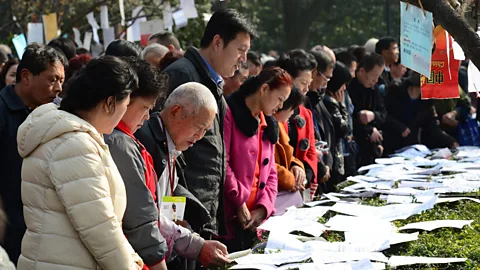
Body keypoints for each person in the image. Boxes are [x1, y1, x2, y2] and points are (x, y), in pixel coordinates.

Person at [17, 56, 143, 269]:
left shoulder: (73, 135)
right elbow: (100, 228)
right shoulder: (74, 144)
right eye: (126, 104)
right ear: (110, 102)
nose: (125, 113)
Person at [161, 8, 256, 239]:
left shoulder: (214, 84)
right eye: (240, 50)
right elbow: (164, 150)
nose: (244, 60)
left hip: (204, 208)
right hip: (185, 210)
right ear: (217, 42)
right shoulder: (183, 76)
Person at [135, 82, 231, 269]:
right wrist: (193, 243)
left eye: (205, 131)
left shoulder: (171, 143)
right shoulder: (145, 142)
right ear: (175, 111)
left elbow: (168, 198)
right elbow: (145, 215)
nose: (200, 136)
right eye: (199, 127)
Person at [0, 44, 67, 265]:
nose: (58, 88)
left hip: (45, 233)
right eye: (52, 79)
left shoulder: (56, 115)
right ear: (26, 76)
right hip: (10, 234)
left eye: (61, 81)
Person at [223, 67, 292, 252]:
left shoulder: (268, 123)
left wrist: (263, 208)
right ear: (264, 89)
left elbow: (271, 173)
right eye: (279, 99)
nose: (280, 107)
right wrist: (239, 203)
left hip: (256, 221)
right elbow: (224, 163)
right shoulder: (229, 113)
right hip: (229, 219)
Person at [384, 71, 457, 154]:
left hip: (411, 148)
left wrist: (450, 141)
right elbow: (384, 115)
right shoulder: (395, 89)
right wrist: (399, 127)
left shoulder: (427, 101)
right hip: (391, 144)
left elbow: (433, 127)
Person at [278, 49, 319, 198]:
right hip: (277, 185)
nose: (306, 89)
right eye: (303, 83)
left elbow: (311, 151)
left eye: (309, 83)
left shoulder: (304, 113)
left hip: (300, 186)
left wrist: (306, 176)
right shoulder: (271, 111)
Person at [348, 53, 386, 167]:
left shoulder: (374, 89)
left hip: (372, 147)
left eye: (379, 76)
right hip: (355, 147)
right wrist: (369, 130)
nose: (376, 80)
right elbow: (350, 119)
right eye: (374, 75)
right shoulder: (349, 89)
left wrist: (373, 115)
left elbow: (383, 113)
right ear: (361, 71)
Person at [322, 62, 351, 191]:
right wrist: (342, 105)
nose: (344, 89)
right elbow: (344, 129)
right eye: (342, 84)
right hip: (333, 160)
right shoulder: (330, 102)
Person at [274, 87, 306, 192]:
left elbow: (287, 153)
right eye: (291, 109)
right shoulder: (263, 125)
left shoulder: (278, 124)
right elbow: (265, 164)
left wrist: (295, 165)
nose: (292, 113)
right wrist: (289, 179)